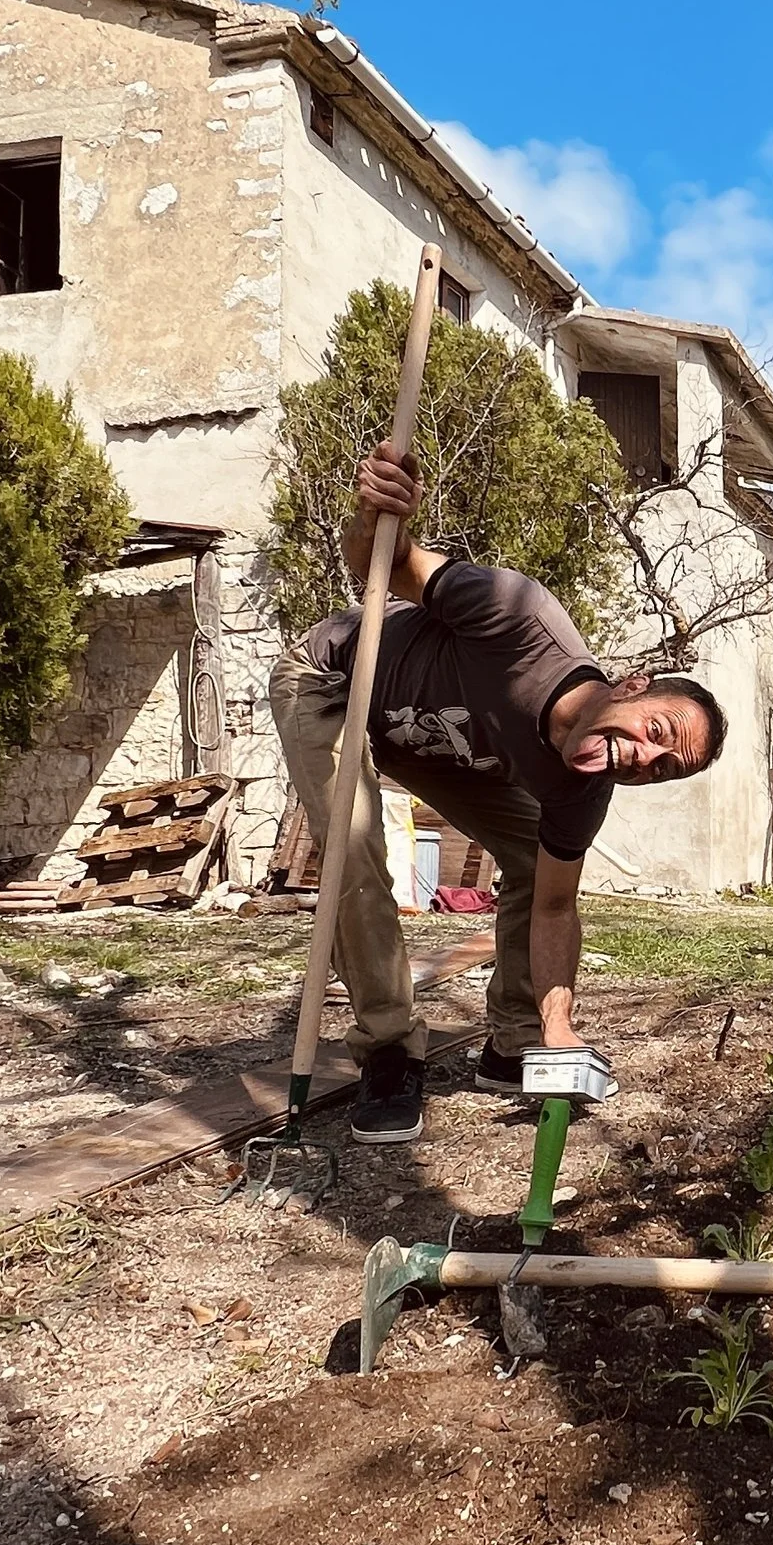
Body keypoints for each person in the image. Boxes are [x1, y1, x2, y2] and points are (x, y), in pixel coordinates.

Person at [269, 444, 727, 1143]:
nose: (643, 758)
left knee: (530, 853)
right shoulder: (519, 618)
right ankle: (390, 1048)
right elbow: (380, 565)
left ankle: (513, 1041)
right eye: (655, 730)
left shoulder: (584, 791)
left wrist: (558, 1025)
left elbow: (552, 904)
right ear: (633, 684)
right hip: (336, 681)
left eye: (662, 767)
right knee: (354, 847)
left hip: (420, 735)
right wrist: (377, 508)